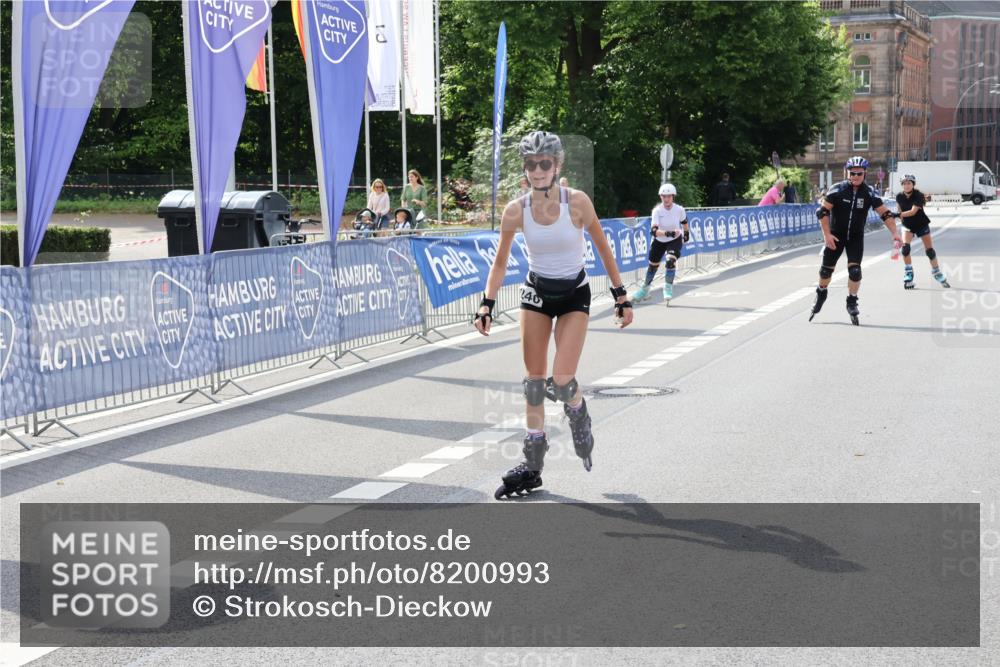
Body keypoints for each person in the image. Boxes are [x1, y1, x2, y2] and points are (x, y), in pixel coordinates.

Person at [474, 131, 633, 499]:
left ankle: (577, 409)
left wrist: (620, 295)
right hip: (536, 294)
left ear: (557, 165)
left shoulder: (577, 203)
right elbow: (499, 263)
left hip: (574, 293)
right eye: (531, 164)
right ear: (525, 169)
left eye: (545, 163)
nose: (538, 170)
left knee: (562, 381)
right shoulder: (516, 210)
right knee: (533, 382)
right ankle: (532, 465)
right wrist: (487, 303)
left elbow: (603, 248)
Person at [809, 156, 901, 325]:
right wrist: (827, 235)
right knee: (825, 273)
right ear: (847, 172)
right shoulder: (837, 189)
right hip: (836, 236)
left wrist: (895, 233)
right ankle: (821, 292)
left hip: (855, 238)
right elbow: (822, 212)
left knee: (855, 272)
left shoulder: (869, 192)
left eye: (859, 173)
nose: (856, 176)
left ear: (865, 173)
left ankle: (851, 300)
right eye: (852, 173)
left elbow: (885, 214)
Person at [631, 183, 689, 303]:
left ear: (673, 197)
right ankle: (645, 289)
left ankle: (668, 287)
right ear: (660, 197)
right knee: (653, 266)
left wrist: (686, 233)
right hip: (659, 240)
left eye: (669, 196)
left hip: (675, 239)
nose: (666, 199)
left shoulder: (679, 209)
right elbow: (654, 231)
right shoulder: (657, 211)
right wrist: (668, 233)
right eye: (664, 196)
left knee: (670, 261)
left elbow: (684, 222)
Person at [896, 174, 950, 289]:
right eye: (904, 183)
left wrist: (897, 215)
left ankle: (936, 272)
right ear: (902, 185)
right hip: (908, 225)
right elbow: (900, 211)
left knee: (930, 251)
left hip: (921, 224)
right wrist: (899, 220)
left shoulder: (919, 195)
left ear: (913, 184)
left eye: (909, 183)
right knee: (905, 249)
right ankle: (909, 273)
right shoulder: (899, 196)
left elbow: (912, 212)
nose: (906, 186)